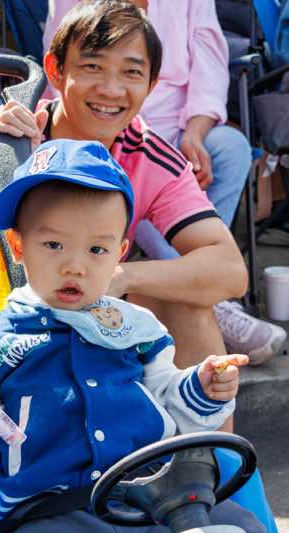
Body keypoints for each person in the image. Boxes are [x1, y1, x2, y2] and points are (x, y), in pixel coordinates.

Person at [0, 138, 268, 533]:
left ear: (120, 252)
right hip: (52, 518)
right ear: (18, 246)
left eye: (96, 250)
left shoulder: (134, 327)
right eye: (53, 245)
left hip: (156, 503)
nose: (75, 266)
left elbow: (168, 396)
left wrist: (203, 387)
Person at [41, 0, 287, 365]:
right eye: (94, 66)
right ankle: (204, 296)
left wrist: (123, 276)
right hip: (13, 311)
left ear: (150, 82)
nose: (111, 87)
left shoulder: (151, 156)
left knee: (231, 149)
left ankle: (202, 298)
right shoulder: (11, 140)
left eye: (130, 71)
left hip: (171, 128)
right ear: (56, 70)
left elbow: (210, 65)